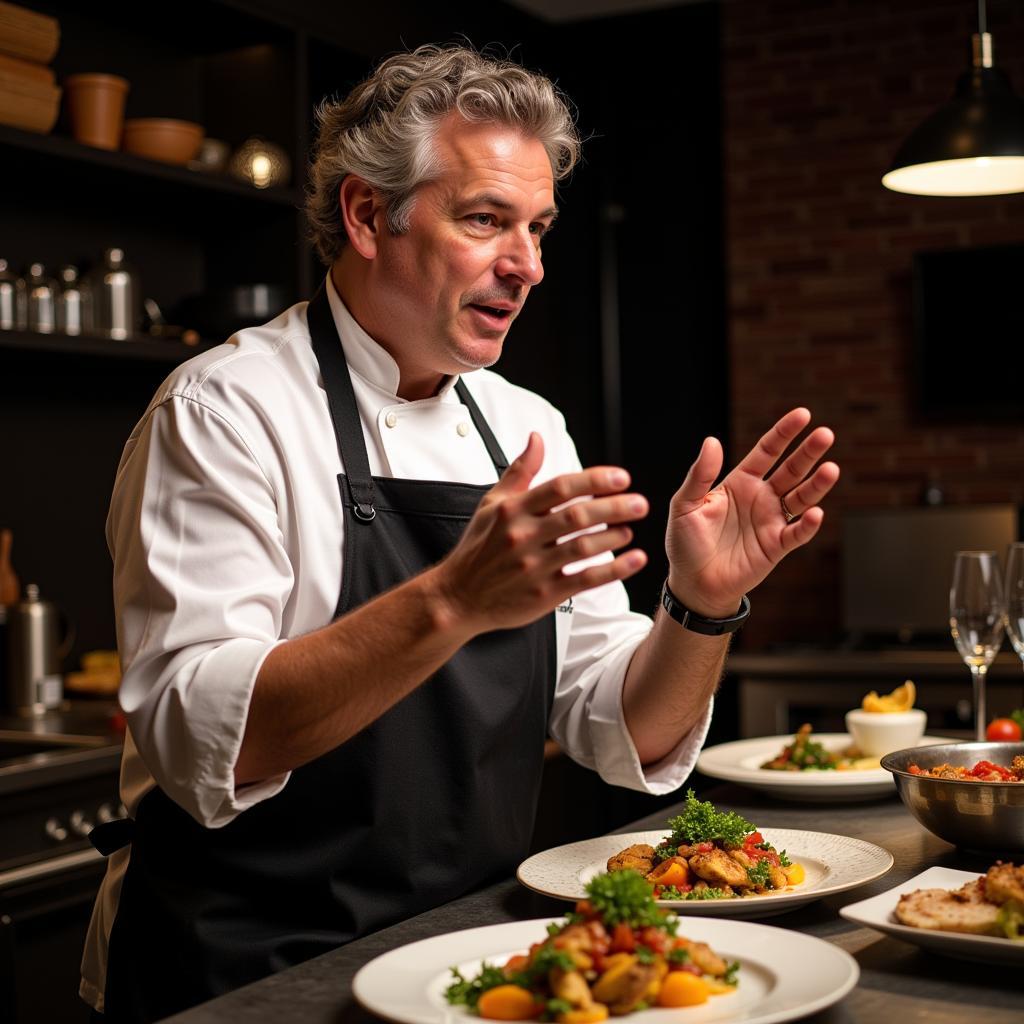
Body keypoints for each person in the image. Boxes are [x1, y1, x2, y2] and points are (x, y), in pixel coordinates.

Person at [80, 44, 839, 1023]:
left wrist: (698, 606)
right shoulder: (225, 410)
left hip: (469, 957)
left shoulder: (527, 427)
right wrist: (452, 598)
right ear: (365, 214)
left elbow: (618, 728)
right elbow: (199, 740)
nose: (525, 264)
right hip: (245, 965)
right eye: (485, 219)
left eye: (536, 227)